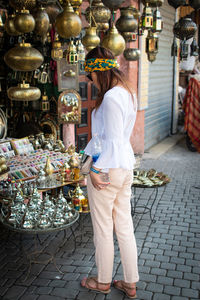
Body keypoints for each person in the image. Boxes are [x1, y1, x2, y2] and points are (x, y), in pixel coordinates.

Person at [80, 46, 139, 298]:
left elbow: (111, 141)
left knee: (104, 228)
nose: (89, 81)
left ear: (98, 71)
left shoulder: (113, 97)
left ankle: (103, 281)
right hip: (123, 167)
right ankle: (130, 282)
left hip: (107, 168)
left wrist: (93, 169)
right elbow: (114, 139)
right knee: (124, 226)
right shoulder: (127, 92)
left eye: (90, 75)